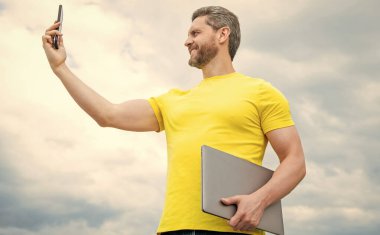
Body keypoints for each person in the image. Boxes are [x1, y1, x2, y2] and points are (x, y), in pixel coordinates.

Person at [42, 6, 306, 235]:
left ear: (222, 34)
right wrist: (60, 68)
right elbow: (107, 114)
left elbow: (294, 162)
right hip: (171, 228)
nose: (187, 41)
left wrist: (260, 200)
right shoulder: (173, 100)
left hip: (233, 228)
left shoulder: (260, 92)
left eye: (195, 33)